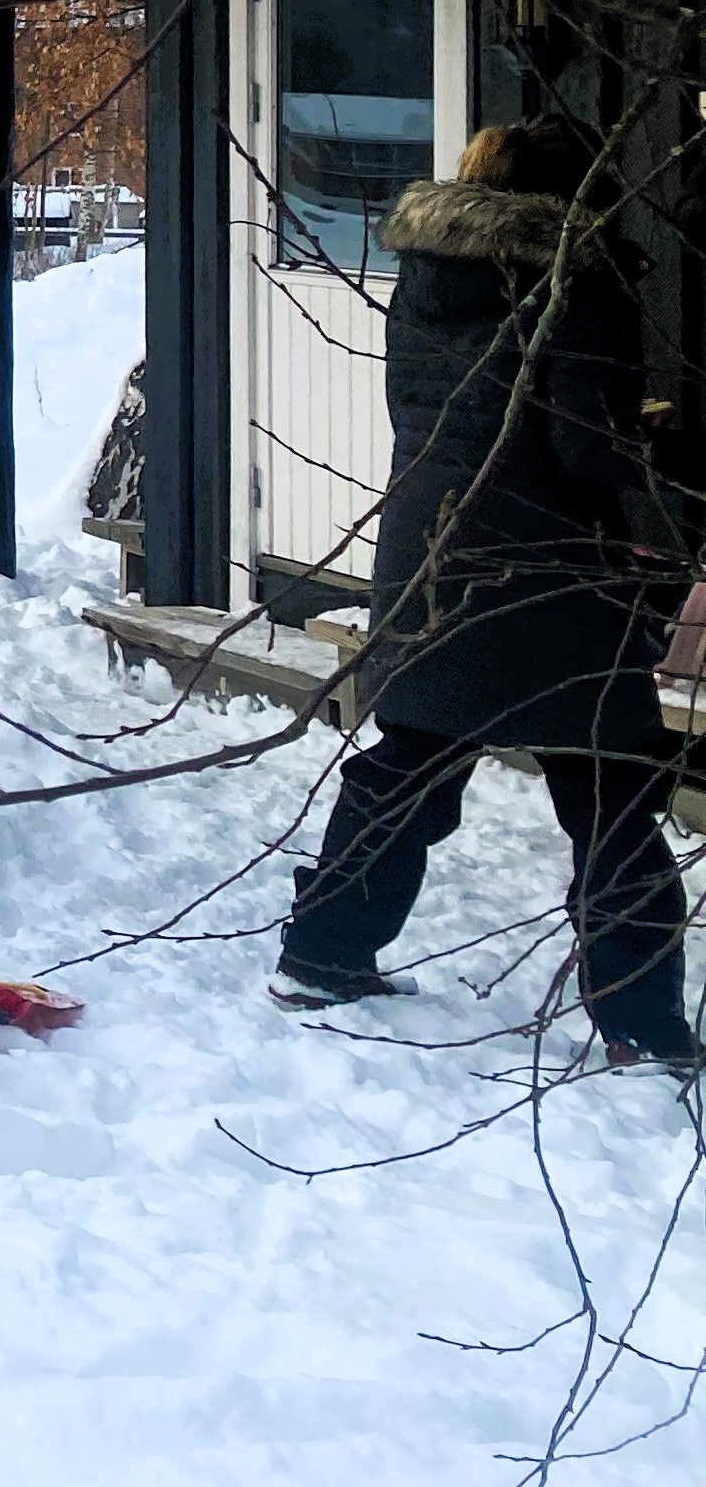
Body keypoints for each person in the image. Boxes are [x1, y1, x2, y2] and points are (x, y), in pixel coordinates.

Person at [273, 122, 702, 1071]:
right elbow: (586, 444)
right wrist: (667, 448)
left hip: (431, 546)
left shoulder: (426, 277)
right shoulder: (575, 281)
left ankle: (322, 951)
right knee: (613, 788)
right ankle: (642, 1020)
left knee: (411, 761)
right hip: (546, 565)